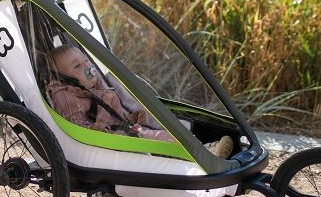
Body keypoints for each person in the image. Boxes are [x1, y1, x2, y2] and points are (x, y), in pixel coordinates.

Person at [45, 45, 233, 158]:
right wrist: (96, 129)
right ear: (63, 78)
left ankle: (203, 148)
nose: (87, 66)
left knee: (164, 133)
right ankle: (205, 153)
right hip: (110, 139)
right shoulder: (67, 96)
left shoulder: (97, 83)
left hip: (126, 128)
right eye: (77, 66)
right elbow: (75, 127)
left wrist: (133, 117)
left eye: (85, 60)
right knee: (161, 138)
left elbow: (115, 110)